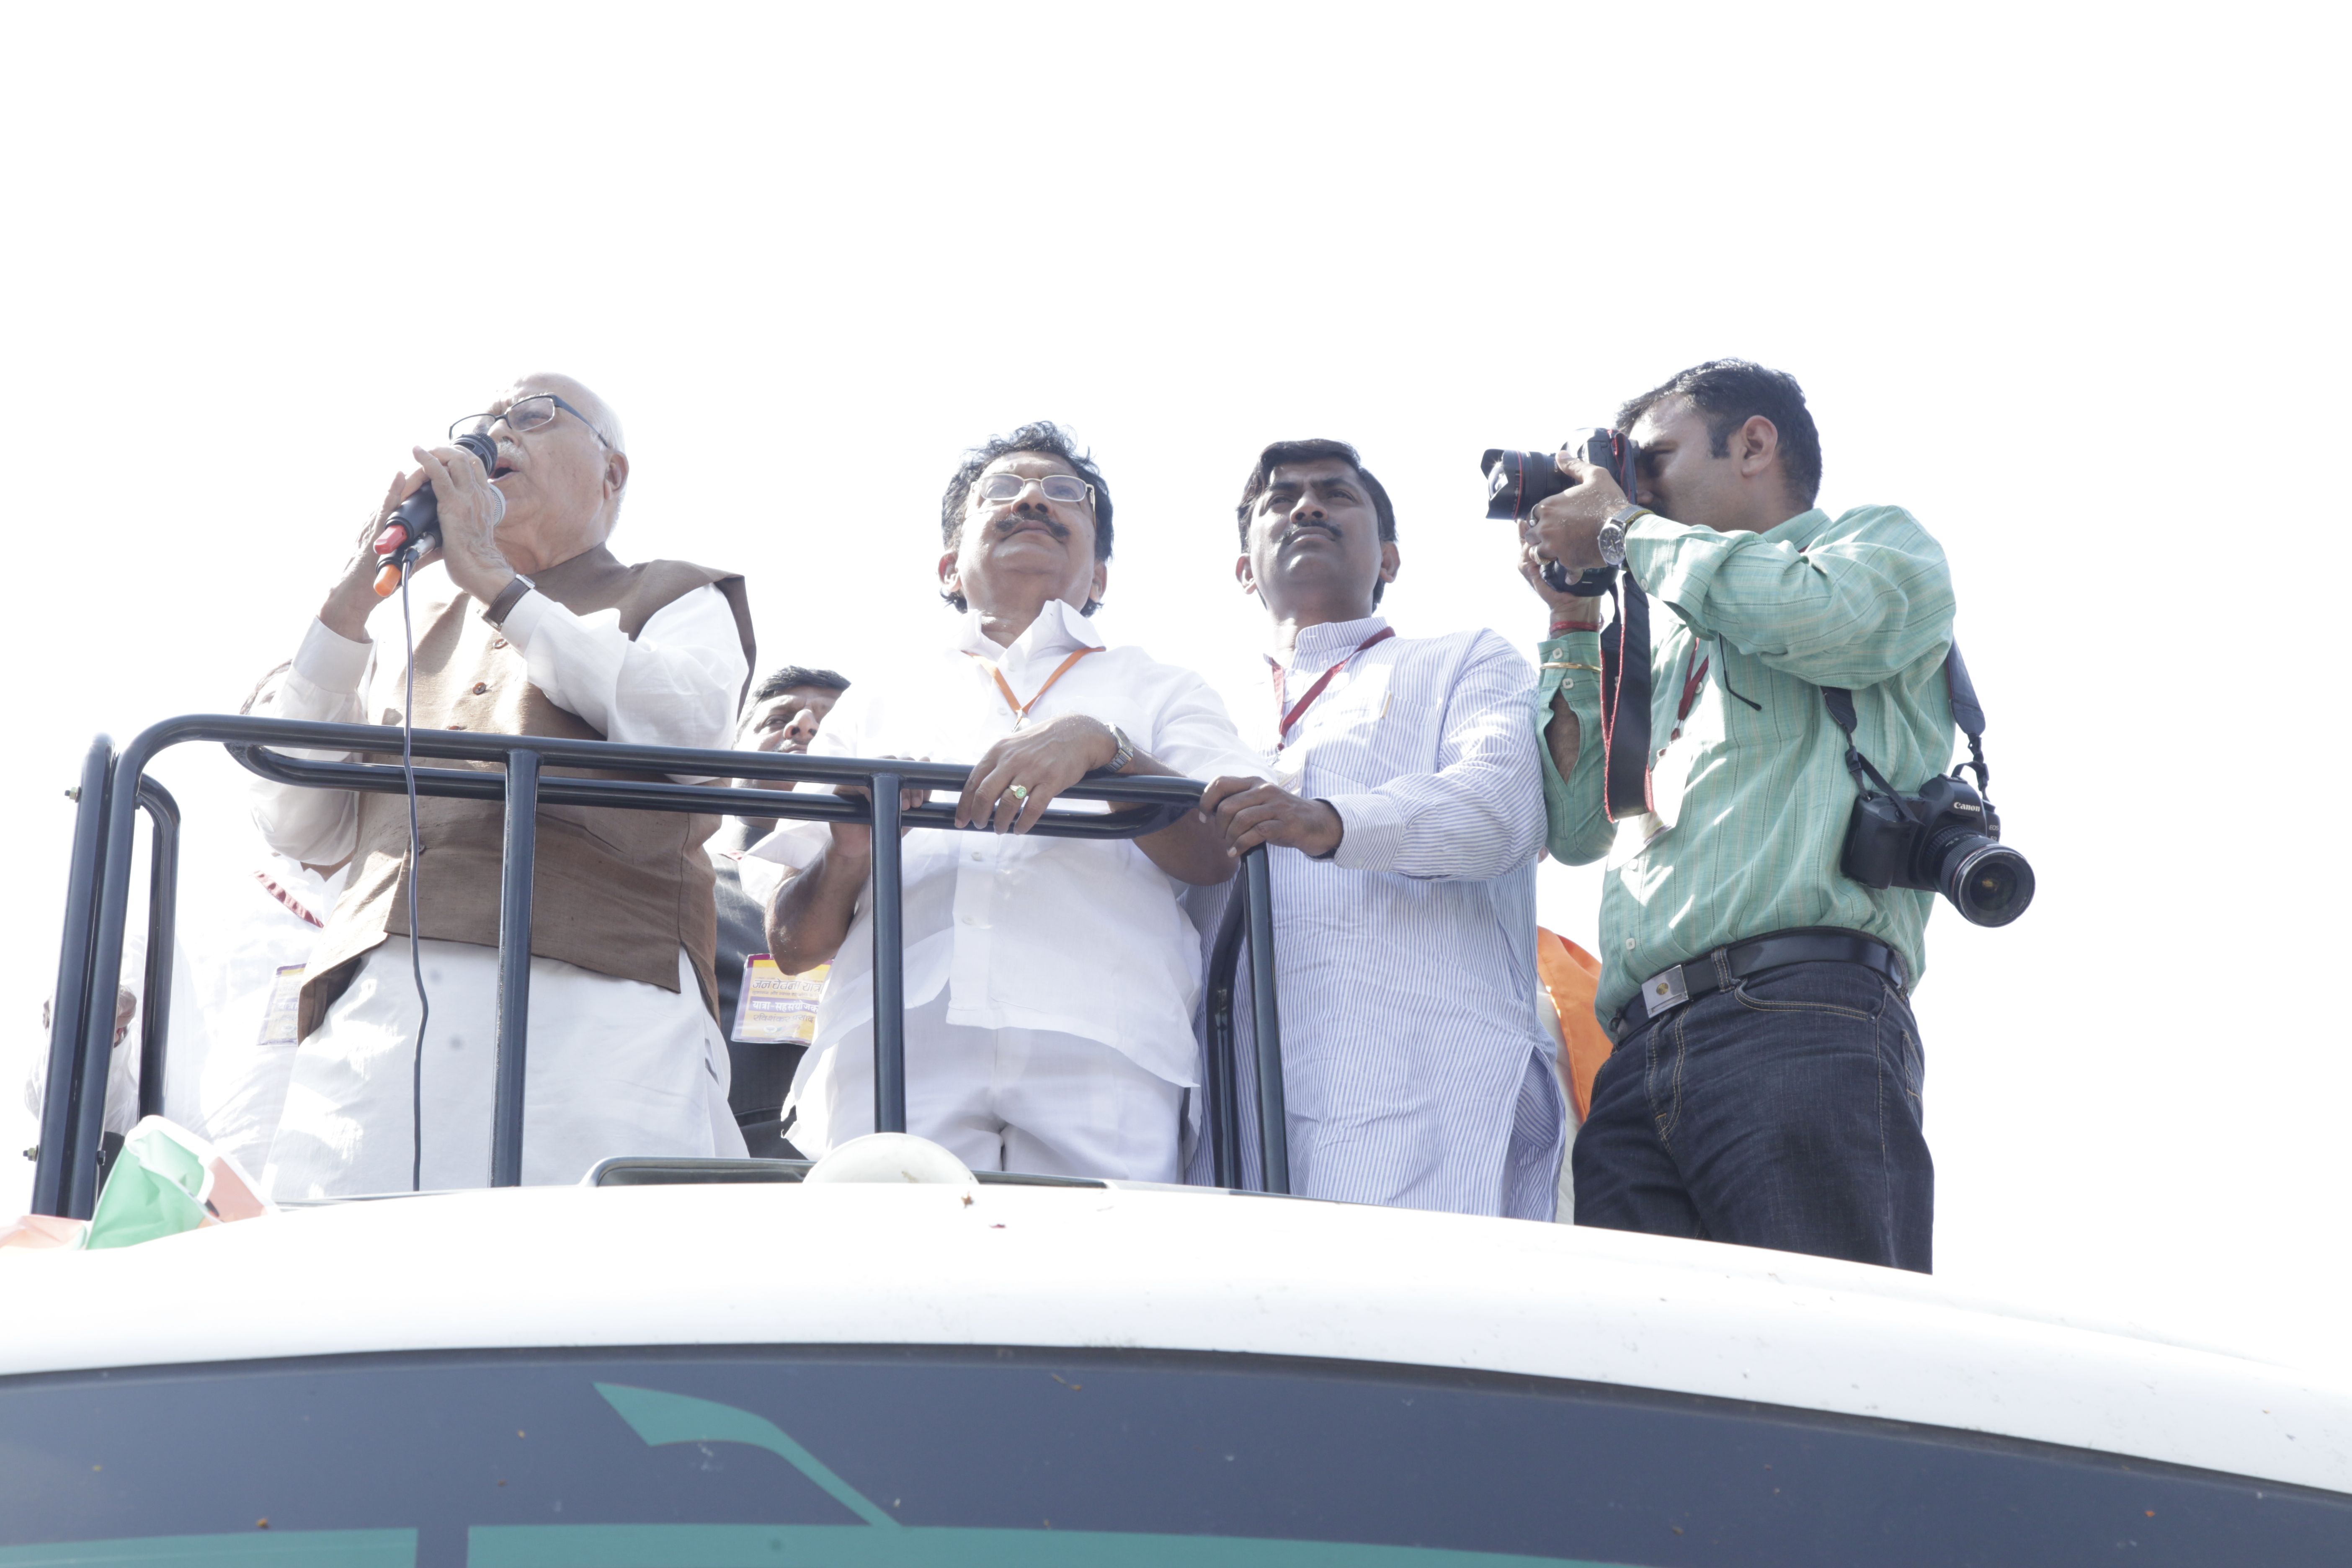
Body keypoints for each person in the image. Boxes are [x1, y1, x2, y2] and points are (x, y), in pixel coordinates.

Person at [253, 373, 756, 1195]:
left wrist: (494, 581)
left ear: (612, 473)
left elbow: (691, 732)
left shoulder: (675, 595)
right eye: (483, 420)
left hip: (601, 1012)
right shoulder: (410, 628)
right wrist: (350, 603)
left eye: (531, 415)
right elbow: (295, 823)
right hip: (387, 1020)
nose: (494, 434)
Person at [1526, 360, 1953, 1271]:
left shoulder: (1875, 547)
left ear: (1754, 443)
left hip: (1800, 1015)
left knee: (1831, 1361)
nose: (1637, 486)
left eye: (1654, 460)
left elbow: (1832, 622)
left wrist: (1620, 528)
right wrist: (1571, 618)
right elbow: (1576, 828)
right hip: (1639, 1049)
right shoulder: (1662, 622)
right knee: (1653, 1387)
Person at [754, 421, 1263, 1181]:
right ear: (948, 568)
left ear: (1099, 578)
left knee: (1096, 1289)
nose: (1033, 498)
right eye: (1003, 490)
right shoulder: (874, 701)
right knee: (879, 1285)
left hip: (1103, 1042)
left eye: (1067, 494)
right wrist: (849, 853)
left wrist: (1108, 750)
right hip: (893, 1042)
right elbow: (793, 944)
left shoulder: (1164, 688)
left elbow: (1221, 853)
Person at [1193, 439, 1560, 1217]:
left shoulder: (1463, 660)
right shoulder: (1199, 710)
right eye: (1279, 499)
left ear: (1389, 559)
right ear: (1241, 568)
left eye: (1335, 494)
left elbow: (1499, 810)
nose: (1306, 506)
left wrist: (1327, 822)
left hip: (1418, 1080)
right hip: (1231, 1103)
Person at [711, 664, 849, 1155]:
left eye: (830, 726)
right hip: (717, 1166)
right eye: (778, 719)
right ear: (729, 750)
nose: (804, 726)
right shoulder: (675, 875)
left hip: (875, 1160)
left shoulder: (907, 885)